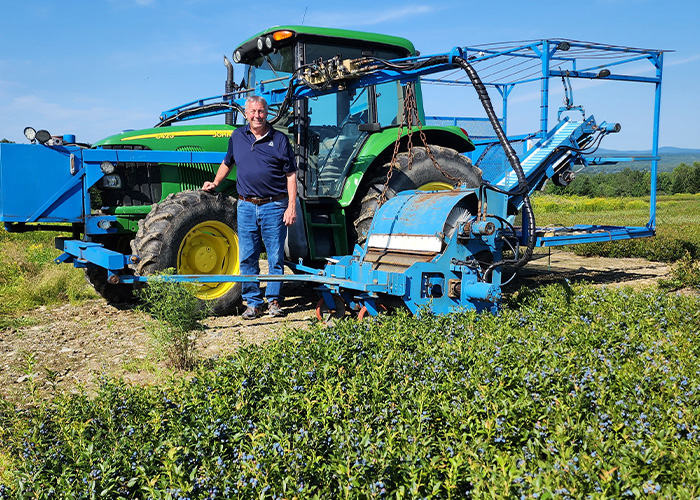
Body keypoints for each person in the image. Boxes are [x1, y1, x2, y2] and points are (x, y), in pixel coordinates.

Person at [203, 95, 297, 319]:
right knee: (247, 256)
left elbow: (291, 174)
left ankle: (274, 301)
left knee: (275, 257)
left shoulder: (280, 139)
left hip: (274, 205)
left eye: (261, 111)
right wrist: (216, 182)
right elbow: (227, 163)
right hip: (245, 206)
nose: (257, 115)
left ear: (267, 113)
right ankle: (253, 303)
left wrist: (291, 206)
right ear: (246, 114)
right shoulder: (237, 137)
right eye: (253, 111)